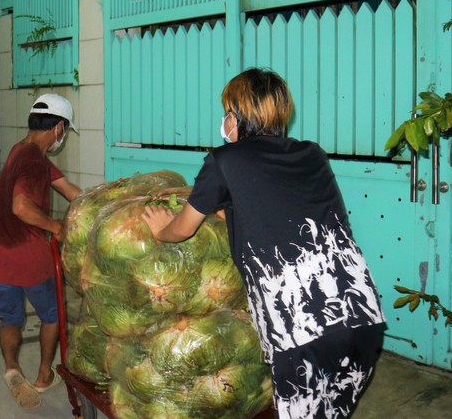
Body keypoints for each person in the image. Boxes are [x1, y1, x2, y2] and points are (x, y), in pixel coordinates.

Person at [141, 68, 386, 419]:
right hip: (361, 316)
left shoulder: (224, 161)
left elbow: (181, 230)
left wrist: (161, 229)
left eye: (227, 112)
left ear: (239, 115)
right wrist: (215, 213)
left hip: (301, 330)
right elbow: (273, 211)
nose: (224, 122)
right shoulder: (311, 154)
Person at [0, 93, 82, 410]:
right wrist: (55, 227)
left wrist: (105, 205)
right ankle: (43, 376)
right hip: (28, 258)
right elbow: (21, 207)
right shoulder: (35, 162)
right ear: (59, 128)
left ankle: (11, 368)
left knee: (9, 318)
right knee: (52, 315)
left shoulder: (21, 151)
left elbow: (70, 191)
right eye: (65, 130)